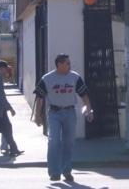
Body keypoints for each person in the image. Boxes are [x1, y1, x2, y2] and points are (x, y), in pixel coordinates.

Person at [33, 53, 94, 182]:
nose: (70, 65)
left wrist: (89, 110)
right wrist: (38, 115)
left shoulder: (74, 77)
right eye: (67, 63)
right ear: (59, 64)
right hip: (54, 113)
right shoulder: (47, 78)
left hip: (69, 112)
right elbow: (39, 97)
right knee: (54, 141)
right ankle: (54, 172)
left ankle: (66, 170)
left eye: (69, 63)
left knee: (69, 142)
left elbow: (84, 95)